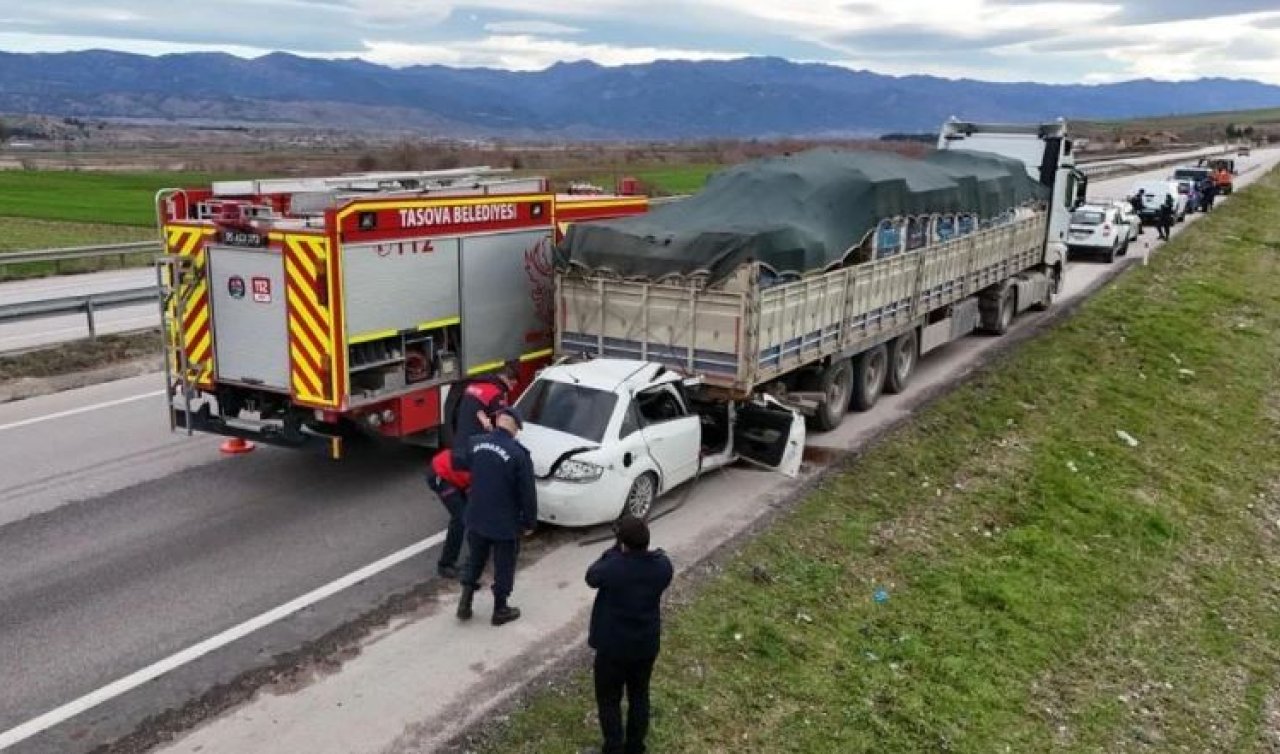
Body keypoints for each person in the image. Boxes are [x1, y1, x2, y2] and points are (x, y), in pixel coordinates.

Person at [586, 516, 674, 754]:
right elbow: (655, 560)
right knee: (639, 695)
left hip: (613, 647)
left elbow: (591, 577)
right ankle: (635, 747)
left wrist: (614, 550)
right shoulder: (662, 566)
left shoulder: (614, 566)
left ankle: (613, 747)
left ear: (622, 543)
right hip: (645, 645)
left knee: (609, 699)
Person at [456, 407, 536, 626]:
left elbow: (461, 462)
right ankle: (500, 609)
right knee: (504, 565)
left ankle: (465, 603)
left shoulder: (475, 442)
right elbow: (527, 493)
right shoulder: (519, 454)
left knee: (475, 558)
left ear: (498, 421)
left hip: (476, 515)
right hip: (504, 522)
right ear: (515, 428)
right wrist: (529, 522)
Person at [450, 360, 519, 469]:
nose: (513, 386)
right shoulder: (495, 393)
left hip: (459, 447)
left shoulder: (472, 386)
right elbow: (501, 425)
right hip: (476, 451)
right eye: (513, 382)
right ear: (506, 378)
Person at [426, 448, 472, 580]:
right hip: (440, 473)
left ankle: (478, 552)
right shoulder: (483, 475)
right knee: (461, 518)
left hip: (458, 473)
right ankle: (445, 564)